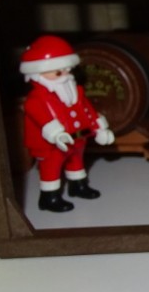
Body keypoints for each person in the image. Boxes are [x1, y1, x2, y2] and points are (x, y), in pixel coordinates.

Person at [20, 35, 115, 212]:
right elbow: (43, 119)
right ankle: (49, 197)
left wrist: (99, 128)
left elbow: (87, 110)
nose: (65, 75)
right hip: (53, 145)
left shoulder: (75, 90)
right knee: (51, 168)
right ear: (37, 73)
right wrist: (56, 134)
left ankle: (77, 186)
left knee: (76, 162)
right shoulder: (37, 99)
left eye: (67, 70)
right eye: (58, 73)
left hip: (78, 138)